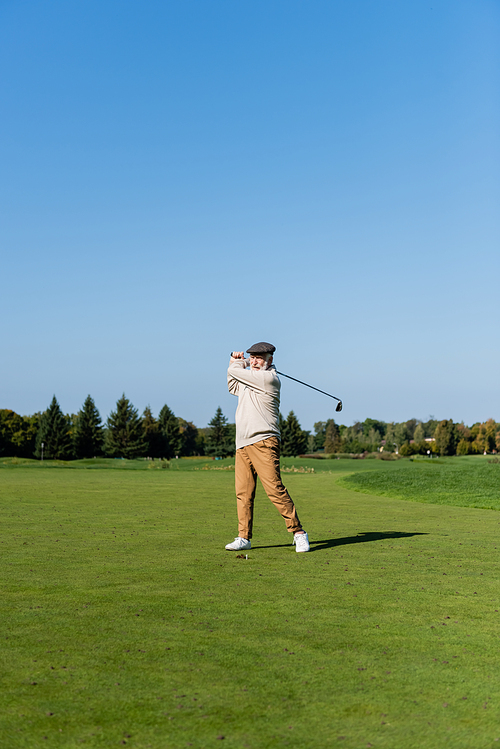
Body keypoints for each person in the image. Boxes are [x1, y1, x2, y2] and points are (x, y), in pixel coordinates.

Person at [225, 342, 310, 553]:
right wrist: (236, 362)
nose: (254, 361)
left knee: (274, 489)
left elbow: (234, 370)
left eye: (259, 358)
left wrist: (238, 360)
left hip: (264, 441)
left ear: (270, 360)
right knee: (243, 493)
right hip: (242, 443)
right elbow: (232, 385)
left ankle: (299, 533)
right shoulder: (250, 378)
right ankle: (243, 537)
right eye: (252, 357)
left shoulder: (268, 379)